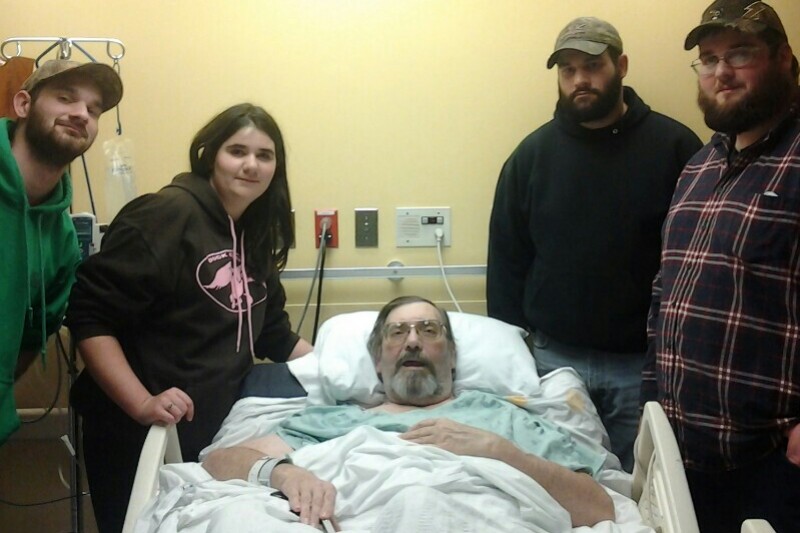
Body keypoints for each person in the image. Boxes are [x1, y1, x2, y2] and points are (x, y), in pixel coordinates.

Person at [65, 103, 313, 533]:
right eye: (237, 151)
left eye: (265, 155)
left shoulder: (253, 233)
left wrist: (347, 374)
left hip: (216, 433)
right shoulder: (164, 215)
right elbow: (90, 316)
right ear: (209, 154)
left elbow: (273, 333)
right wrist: (142, 403)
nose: (251, 165)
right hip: (137, 431)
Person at [486, 16, 702, 472]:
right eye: (568, 70)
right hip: (553, 361)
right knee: (556, 480)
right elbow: (506, 261)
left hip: (641, 365)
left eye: (592, 66)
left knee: (639, 487)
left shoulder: (676, 148)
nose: (579, 79)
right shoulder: (531, 157)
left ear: (620, 66)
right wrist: (513, 354)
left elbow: (696, 261)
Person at [202, 296, 616, 530]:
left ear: (453, 357)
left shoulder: (503, 418)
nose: (413, 342)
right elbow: (220, 462)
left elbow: (598, 507)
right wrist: (285, 474)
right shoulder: (334, 420)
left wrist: (499, 451)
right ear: (377, 361)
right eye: (397, 333)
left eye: (429, 330)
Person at [641, 1, 800, 532]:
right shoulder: (698, 167)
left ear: (783, 58)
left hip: (774, 462)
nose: (721, 72)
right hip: (684, 454)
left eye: (740, 54)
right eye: (709, 60)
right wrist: (651, 399)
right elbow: (665, 293)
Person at [0, 59, 123, 445]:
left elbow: (32, 337)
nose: (81, 114)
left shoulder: (63, 239)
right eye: (66, 98)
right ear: (23, 105)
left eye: (93, 109)